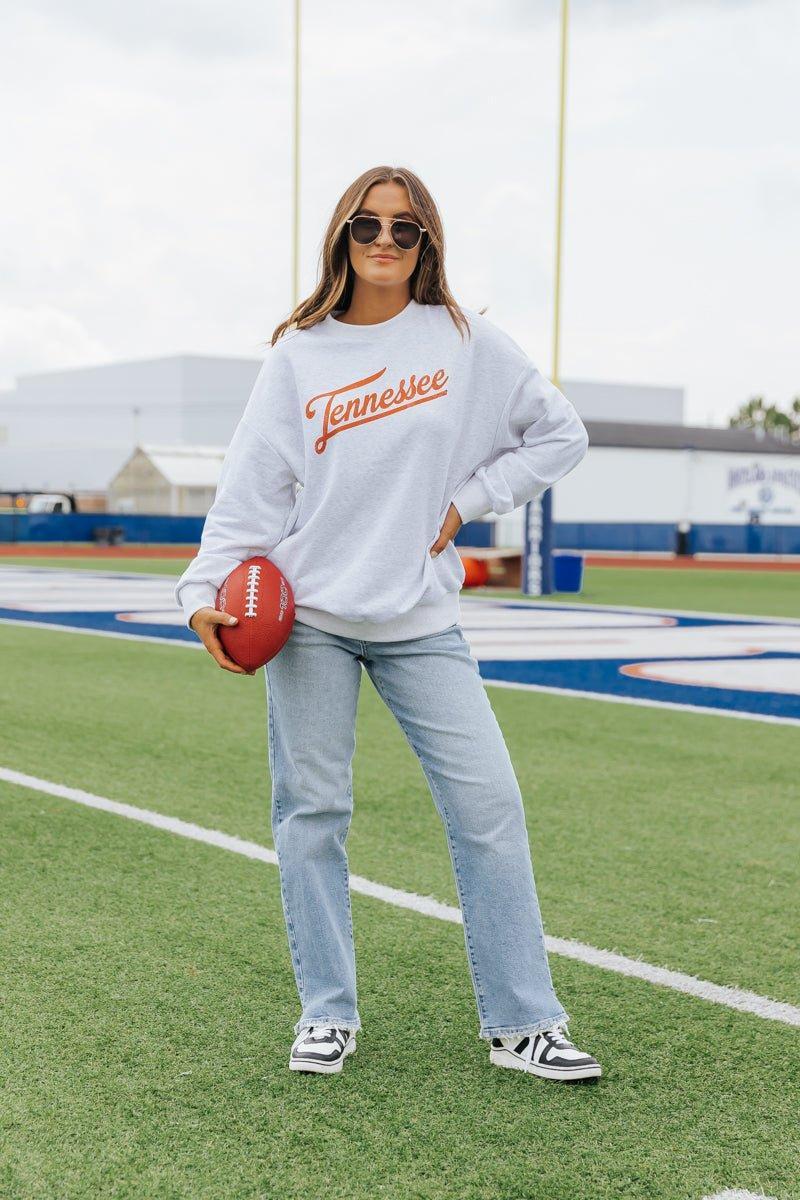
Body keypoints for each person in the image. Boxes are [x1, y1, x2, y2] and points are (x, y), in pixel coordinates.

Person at [175, 165, 601, 1083]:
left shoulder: (464, 342)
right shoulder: (298, 355)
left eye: (404, 230)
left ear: (427, 244)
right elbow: (249, 497)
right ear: (341, 235)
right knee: (313, 816)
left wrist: (470, 502)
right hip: (312, 617)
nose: (383, 240)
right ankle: (327, 1014)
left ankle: (523, 1023)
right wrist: (200, 595)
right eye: (367, 225)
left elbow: (560, 432)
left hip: (418, 614)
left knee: (488, 805)